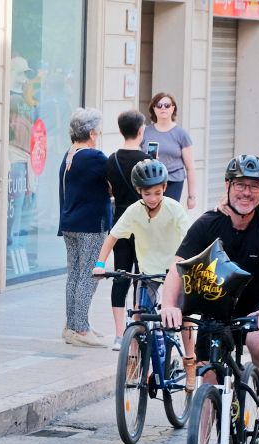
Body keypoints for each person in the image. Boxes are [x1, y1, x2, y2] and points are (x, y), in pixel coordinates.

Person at [161, 155, 259, 423]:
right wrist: (170, 305)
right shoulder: (209, 223)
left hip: (255, 308)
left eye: (254, 186)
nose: (246, 192)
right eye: (240, 184)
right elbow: (178, 266)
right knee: (208, 376)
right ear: (228, 185)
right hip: (215, 308)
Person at [93, 158, 194, 377]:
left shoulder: (174, 209)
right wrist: (100, 264)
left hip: (175, 272)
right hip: (149, 272)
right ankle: (133, 362)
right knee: (139, 315)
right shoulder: (133, 211)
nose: (152, 198)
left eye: (157, 193)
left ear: (165, 188)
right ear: (139, 191)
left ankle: (190, 360)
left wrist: (190, 265)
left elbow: (190, 239)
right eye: (147, 193)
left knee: (183, 316)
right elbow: (112, 237)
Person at [58, 107, 111, 347]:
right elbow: (113, 184)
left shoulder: (70, 154)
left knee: (75, 275)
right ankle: (80, 329)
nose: (98, 134)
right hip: (90, 224)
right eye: (97, 130)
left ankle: (73, 325)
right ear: (91, 132)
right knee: (90, 275)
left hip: (70, 223)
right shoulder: (94, 156)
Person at [103, 109, 154, 349]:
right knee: (141, 277)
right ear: (141, 131)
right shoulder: (149, 161)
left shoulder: (111, 160)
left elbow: (110, 190)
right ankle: (136, 329)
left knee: (120, 276)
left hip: (120, 224)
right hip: (143, 224)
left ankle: (117, 334)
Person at [142, 92, 196, 209]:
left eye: (167, 105)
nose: (163, 108)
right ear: (153, 109)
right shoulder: (145, 131)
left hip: (173, 180)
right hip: (150, 180)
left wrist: (191, 196)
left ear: (173, 108)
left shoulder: (181, 134)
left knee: (168, 213)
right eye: (159, 105)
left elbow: (190, 167)